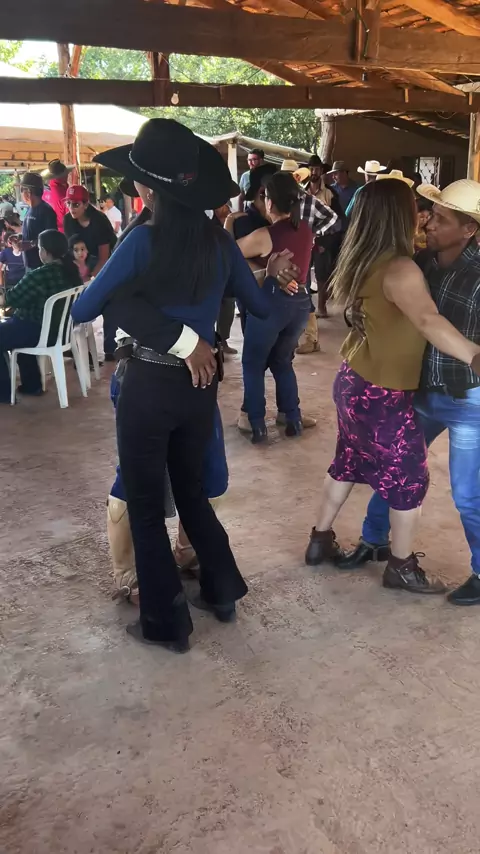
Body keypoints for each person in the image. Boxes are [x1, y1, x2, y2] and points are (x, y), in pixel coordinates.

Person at [70, 118, 293, 651]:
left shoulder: (141, 240)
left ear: (148, 188)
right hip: (201, 384)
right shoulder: (220, 242)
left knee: (148, 507)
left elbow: (84, 307)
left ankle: (167, 625)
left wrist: (159, 324)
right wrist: (269, 274)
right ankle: (222, 591)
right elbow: (260, 307)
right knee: (192, 494)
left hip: (149, 384)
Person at [304, 178, 480, 595]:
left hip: (442, 394)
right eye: (425, 212)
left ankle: (322, 540)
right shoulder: (410, 264)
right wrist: (474, 354)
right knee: (404, 477)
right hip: (398, 390)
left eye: (439, 217)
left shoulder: (388, 259)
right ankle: (389, 556)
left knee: (463, 493)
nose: (427, 221)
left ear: (469, 228)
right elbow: (425, 320)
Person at [233, 170, 314, 443]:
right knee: (282, 361)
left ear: (268, 201)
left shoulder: (264, 235)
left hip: (272, 301)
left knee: (253, 363)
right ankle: (292, 417)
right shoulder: (306, 230)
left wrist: (229, 222)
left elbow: (229, 254)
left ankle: (256, 423)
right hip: (300, 303)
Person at [0, 229, 82, 402]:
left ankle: (3, 393)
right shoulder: (72, 272)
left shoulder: (40, 275)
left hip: (38, 330)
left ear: (44, 251)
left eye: (39, 248)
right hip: (60, 332)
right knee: (15, 329)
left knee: (12, 330)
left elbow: (10, 298)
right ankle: (31, 385)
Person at [279, 158, 339, 354]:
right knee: (289, 291)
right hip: (283, 251)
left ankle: (311, 338)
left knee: (301, 291)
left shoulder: (308, 200)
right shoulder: (280, 199)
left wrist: (315, 233)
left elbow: (333, 217)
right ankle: (295, 336)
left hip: (302, 251)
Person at [63, 184, 117, 359]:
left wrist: (91, 278)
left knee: (108, 304)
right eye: (68, 203)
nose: (71, 208)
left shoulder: (99, 221)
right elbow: (71, 249)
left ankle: (111, 348)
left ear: (86, 204)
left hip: (106, 263)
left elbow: (104, 256)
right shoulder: (68, 220)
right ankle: (70, 345)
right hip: (82, 262)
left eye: (76, 204)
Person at [13, 173, 57, 271]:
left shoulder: (47, 211)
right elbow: (32, 232)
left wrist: (31, 244)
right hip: (29, 264)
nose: (21, 193)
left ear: (29, 192)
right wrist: (19, 237)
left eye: (21, 190)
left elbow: (52, 239)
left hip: (41, 266)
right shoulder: (29, 209)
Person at [41, 159, 72, 231]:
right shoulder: (60, 194)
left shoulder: (50, 189)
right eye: (65, 174)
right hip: (64, 230)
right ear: (60, 177)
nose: (67, 175)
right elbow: (68, 217)